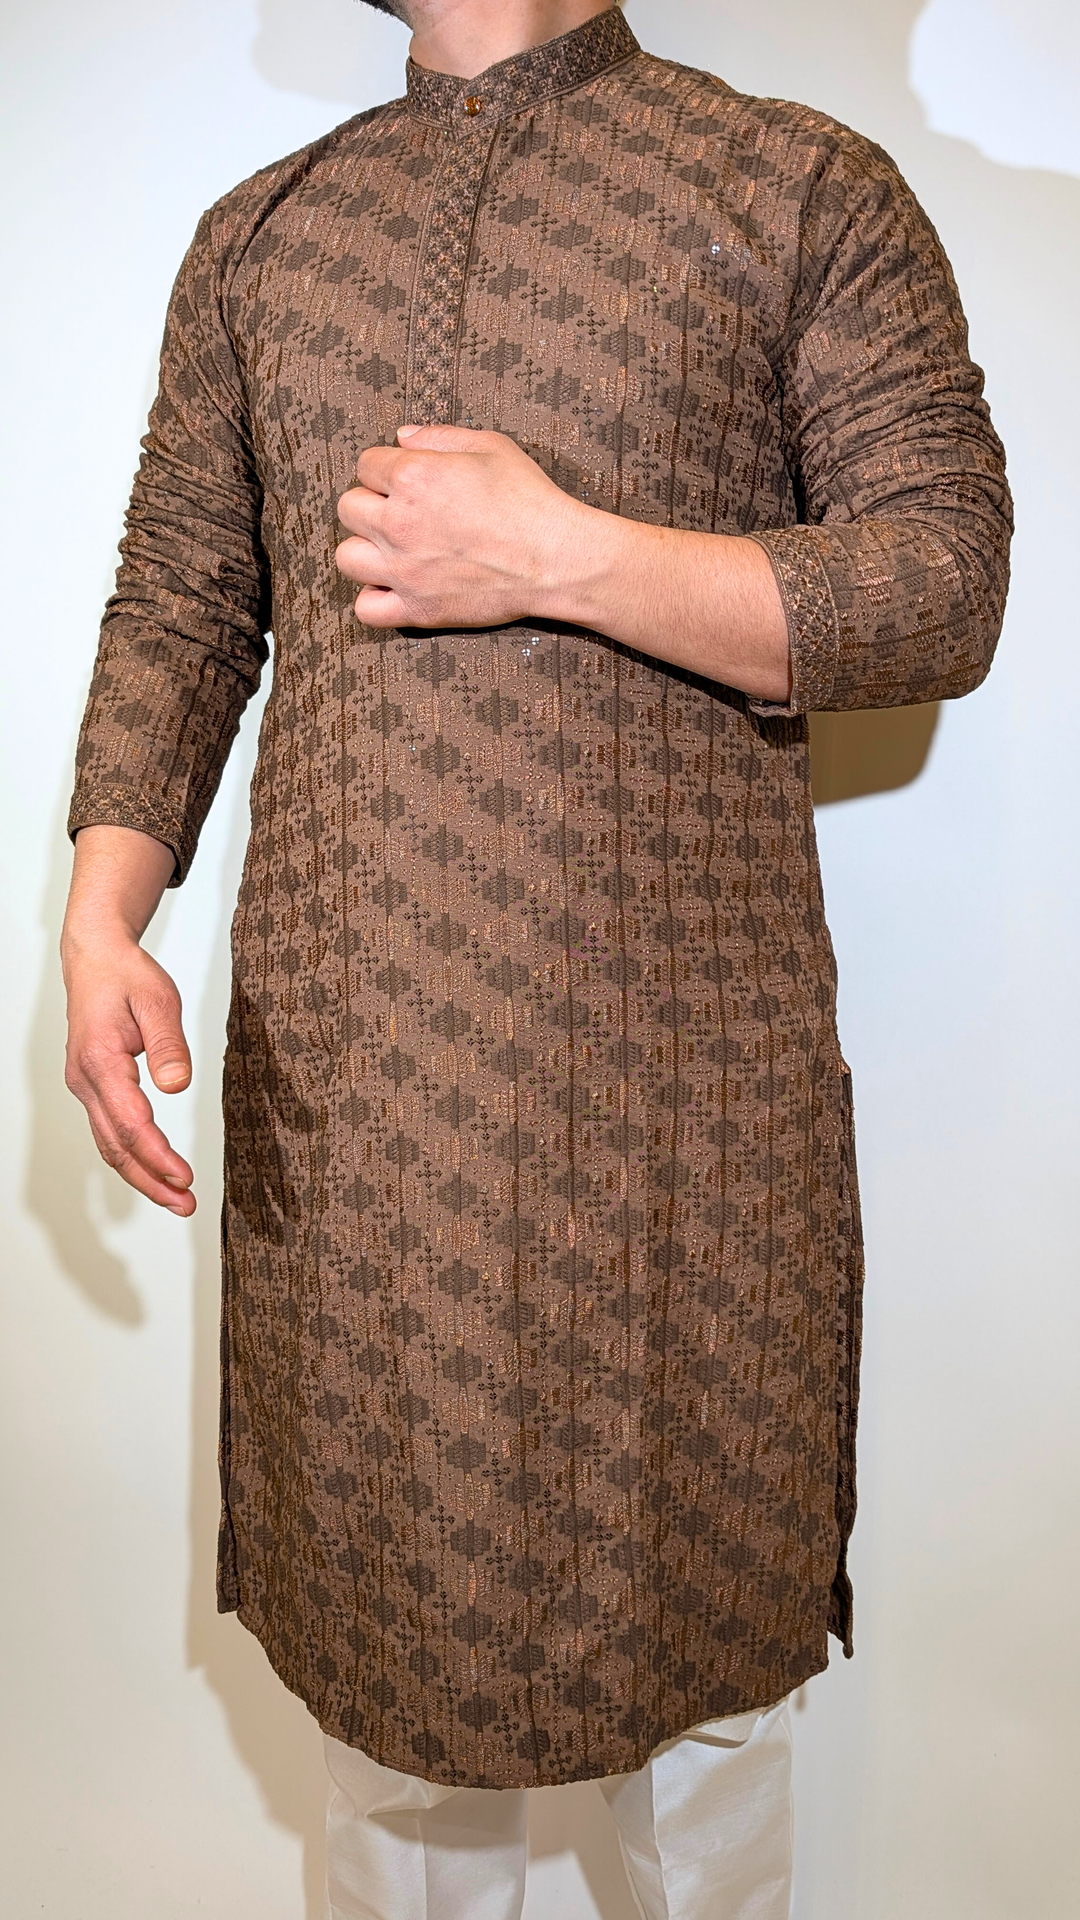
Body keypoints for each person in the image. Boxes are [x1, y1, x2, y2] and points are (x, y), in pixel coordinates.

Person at [61, 1, 1012, 1913]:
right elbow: (182, 600)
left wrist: (563, 554)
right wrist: (101, 908)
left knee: (713, 1730)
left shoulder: (793, 186)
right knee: (386, 1727)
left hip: (681, 1118)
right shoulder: (263, 236)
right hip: (369, 1107)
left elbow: (942, 580)